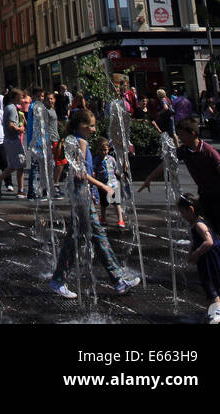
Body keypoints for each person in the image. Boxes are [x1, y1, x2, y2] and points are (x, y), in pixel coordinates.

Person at [48, 109, 140, 299]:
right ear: (79, 125)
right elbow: (81, 173)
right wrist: (103, 187)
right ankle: (118, 279)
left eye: (94, 125)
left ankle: (58, 280)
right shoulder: (80, 142)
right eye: (89, 125)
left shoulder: (74, 140)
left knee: (75, 239)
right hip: (81, 195)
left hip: (79, 194)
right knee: (97, 235)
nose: (93, 129)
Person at [139, 115, 220, 269]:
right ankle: (216, 265)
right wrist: (149, 178)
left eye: (181, 134)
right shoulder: (184, 150)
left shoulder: (209, 151)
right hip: (205, 196)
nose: (179, 137)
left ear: (192, 133)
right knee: (208, 232)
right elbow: (166, 162)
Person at [178, 193, 220, 323]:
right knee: (207, 282)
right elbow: (194, 241)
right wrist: (191, 252)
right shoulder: (195, 223)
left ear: (191, 210)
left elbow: (209, 241)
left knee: (209, 282)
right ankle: (213, 310)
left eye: (182, 212)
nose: (182, 216)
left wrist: (196, 253)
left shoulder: (199, 225)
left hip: (211, 257)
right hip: (206, 258)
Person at [0, 88, 26, 195]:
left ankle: (20, 190)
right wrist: (20, 129)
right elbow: (11, 126)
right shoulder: (11, 108)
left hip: (11, 140)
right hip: (12, 140)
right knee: (18, 165)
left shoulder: (11, 107)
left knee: (18, 165)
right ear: (15, 97)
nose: (23, 99)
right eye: (21, 97)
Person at [95, 139, 125, 228]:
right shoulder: (96, 160)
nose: (104, 152)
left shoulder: (111, 159)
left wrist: (121, 176)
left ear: (108, 149)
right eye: (101, 150)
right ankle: (103, 218)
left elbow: (116, 170)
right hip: (102, 186)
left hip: (113, 185)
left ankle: (120, 219)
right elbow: (94, 171)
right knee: (104, 204)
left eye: (105, 150)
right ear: (98, 150)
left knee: (117, 203)